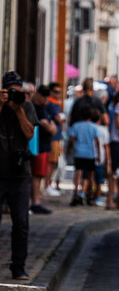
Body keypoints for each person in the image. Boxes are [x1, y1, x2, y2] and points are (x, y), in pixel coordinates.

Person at [0, 72, 38, 280]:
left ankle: (18, 266)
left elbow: (30, 134)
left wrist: (19, 111)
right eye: (10, 90)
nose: (14, 94)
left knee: (21, 223)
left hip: (20, 174)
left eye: (17, 89)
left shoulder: (27, 106)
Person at [29, 85, 57, 214]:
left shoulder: (44, 108)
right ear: (38, 94)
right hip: (37, 146)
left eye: (47, 96)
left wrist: (51, 127)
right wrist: (50, 127)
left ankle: (36, 200)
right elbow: (49, 127)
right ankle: (35, 202)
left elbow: (53, 127)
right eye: (44, 96)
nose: (46, 99)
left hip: (44, 145)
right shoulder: (34, 108)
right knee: (36, 174)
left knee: (40, 175)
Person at [69, 108, 101, 206]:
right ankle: (89, 194)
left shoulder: (76, 125)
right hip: (90, 153)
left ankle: (76, 192)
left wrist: (70, 149)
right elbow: (97, 141)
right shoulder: (94, 127)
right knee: (90, 174)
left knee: (78, 172)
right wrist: (99, 154)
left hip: (79, 152)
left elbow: (72, 139)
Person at [46, 82, 65, 196]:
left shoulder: (56, 104)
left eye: (60, 92)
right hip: (53, 138)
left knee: (55, 162)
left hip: (57, 137)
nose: (58, 94)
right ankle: (48, 184)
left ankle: (49, 183)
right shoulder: (51, 104)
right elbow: (60, 119)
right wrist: (62, 118)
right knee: (51, 162)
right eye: (56, 92)